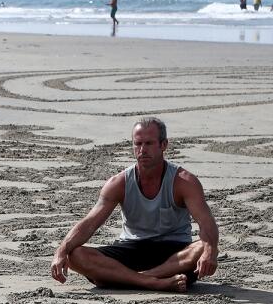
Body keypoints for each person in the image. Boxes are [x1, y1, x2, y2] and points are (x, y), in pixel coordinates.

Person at [51, 118, 219, 293]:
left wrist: (210, 251)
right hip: (131, 248)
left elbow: (207, 224)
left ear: (164, 145)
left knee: (203, 247)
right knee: (75, 255)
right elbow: (90, 223)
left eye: (149, 143)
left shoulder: (184, 181)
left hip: (173, 254)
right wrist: (61, 251)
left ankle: (127, 278)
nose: (142, 150)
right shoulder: (119, 183)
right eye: (138, 144)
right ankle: (151, 282)